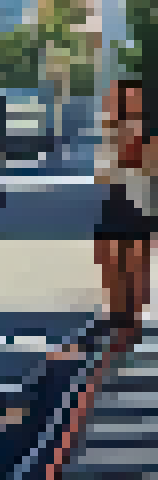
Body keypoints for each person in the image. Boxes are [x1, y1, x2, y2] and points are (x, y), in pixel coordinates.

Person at [94, 79, 152, 345]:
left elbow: (138, 162)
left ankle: (132, 323)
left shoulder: (145, 129)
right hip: (116, 198)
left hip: (140, 200)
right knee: (112, 259)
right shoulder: (111, 128)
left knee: (135, 264)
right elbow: (103, 171)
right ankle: (119, 319)